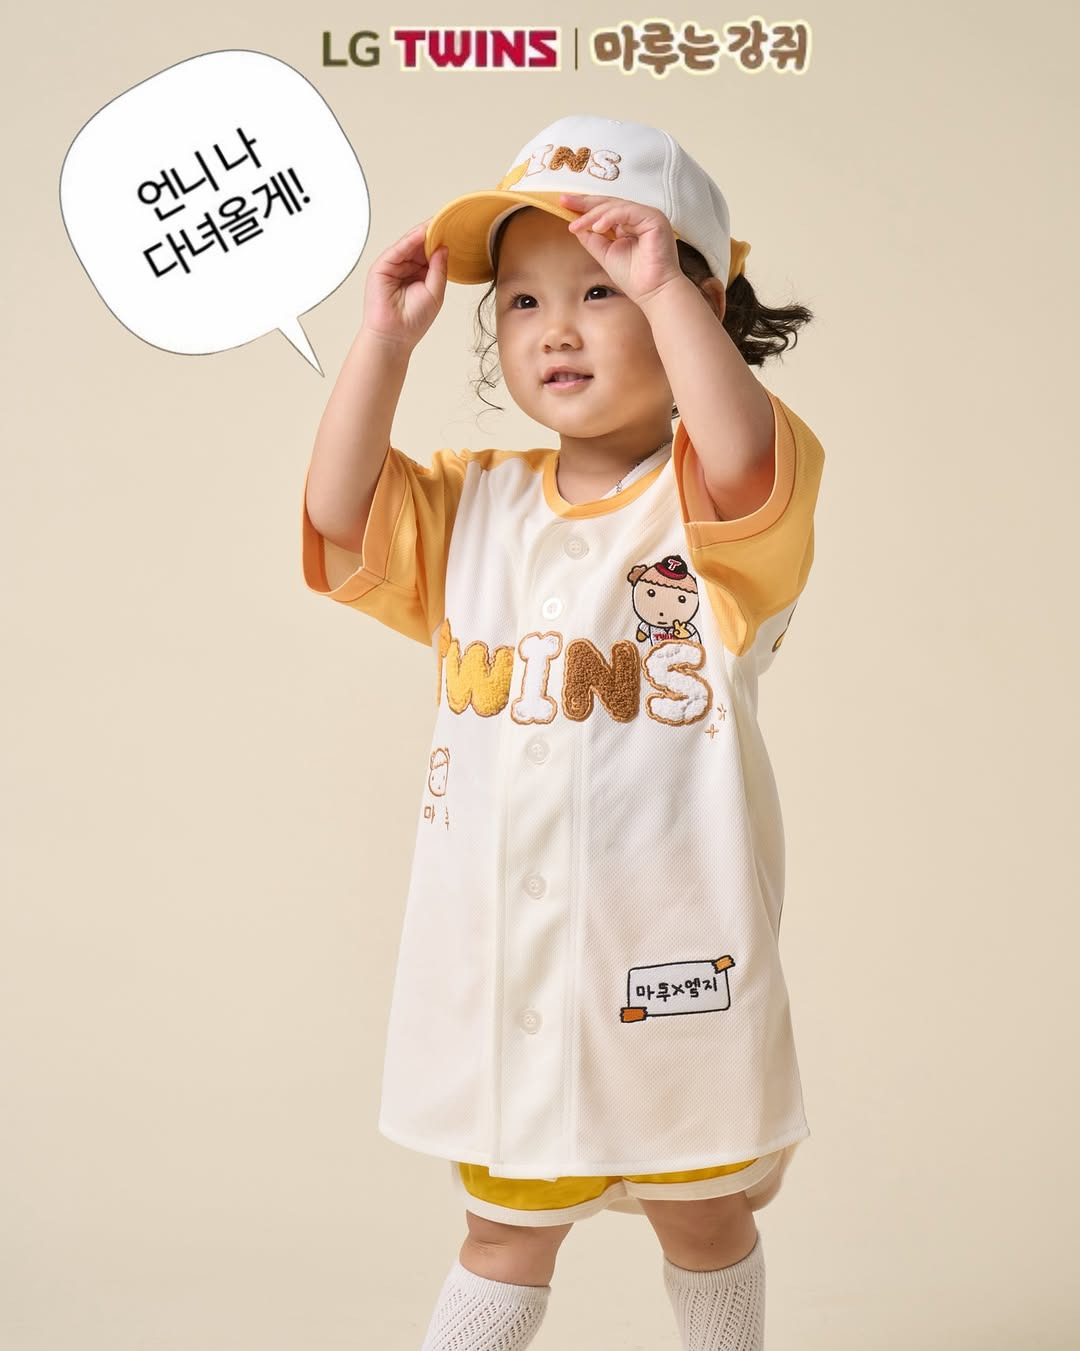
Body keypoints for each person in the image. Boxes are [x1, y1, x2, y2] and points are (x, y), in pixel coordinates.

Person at [302, 114, 825, 1351]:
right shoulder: (473, 502)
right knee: (502, 1231)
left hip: (673, 950)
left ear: (698, 301)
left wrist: (668, 288)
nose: (556, 327)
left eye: (603, 287)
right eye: (524, 301)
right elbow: (336, 511)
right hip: (511, 959)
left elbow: (744, 453)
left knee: (702, 1214)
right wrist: (384, 343)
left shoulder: (715, 503)